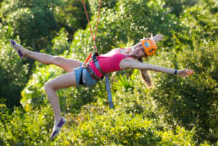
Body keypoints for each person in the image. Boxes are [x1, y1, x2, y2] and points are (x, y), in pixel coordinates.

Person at [10, 34, 193, 139]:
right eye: (140, 45)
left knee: (48, 85)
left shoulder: (131, 61)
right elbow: (139, 45)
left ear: (141, 56)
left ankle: (58, 119)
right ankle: (24, 52)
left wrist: (176, 72)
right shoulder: (127, 49)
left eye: (142, 51)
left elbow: (153, 67)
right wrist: (154, 39)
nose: (138, 49)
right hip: (87, 66)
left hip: (87, 75)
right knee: (55, 59)